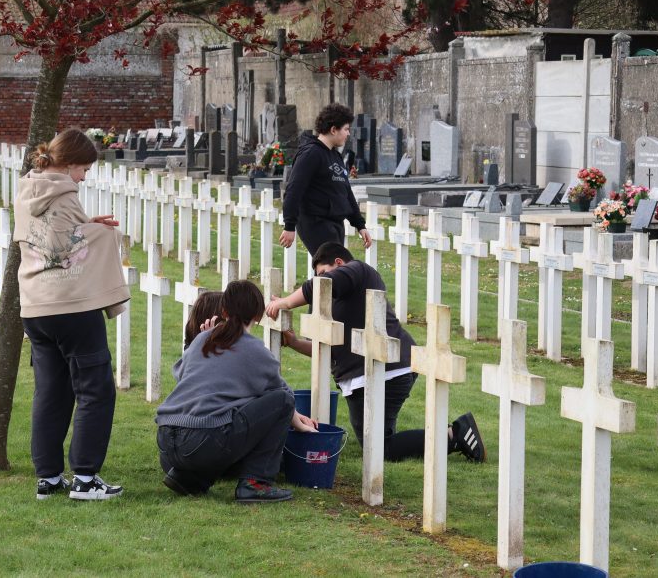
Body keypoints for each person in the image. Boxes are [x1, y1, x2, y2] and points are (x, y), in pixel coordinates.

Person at [265, 242, 485, 463]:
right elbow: (326, 349)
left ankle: (455, 434)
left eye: (322, 273)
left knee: (380, 448)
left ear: (339, 263)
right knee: (379, 439)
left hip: (387, 369)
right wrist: (294, 343)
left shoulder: (357, 270)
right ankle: (446, 434)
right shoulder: (337, 298)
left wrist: (285, 302)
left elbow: (319, 286)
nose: (320, 280)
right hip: (367, 374)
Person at [14, 128, 129, 501]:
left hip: (35, 307)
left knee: (51, 392)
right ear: (68, 163)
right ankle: (85, 478)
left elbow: (47, 239)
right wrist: (99, 231)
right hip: (71, 306)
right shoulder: (64, 193)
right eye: (84, 169)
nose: (83, 178)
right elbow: (63, 250)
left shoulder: (26, 190)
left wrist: (87, 224)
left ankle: (48, 478)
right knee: (96, 389)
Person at [156, 280, 318, 503]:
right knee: (280, 400)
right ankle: (256, 483)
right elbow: (283, 397)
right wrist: (300, 425)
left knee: (223, 414)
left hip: (166, 444)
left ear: (223, 311)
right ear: (258, 315)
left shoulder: (202, 338)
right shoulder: (255, 350)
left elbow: (181, 375)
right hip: (202, 442)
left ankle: (189, 478)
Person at [279, 103, 372, 255]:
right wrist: (289, 225)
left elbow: (345, 192)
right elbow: (294, 190)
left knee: (337, 267)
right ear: (333, 130)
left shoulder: (335, 155)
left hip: (335, 223)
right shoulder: (311, 153)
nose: (348, 134)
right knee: (333, 265)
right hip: (315, 223)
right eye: (346, 129)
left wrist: (360, 225)